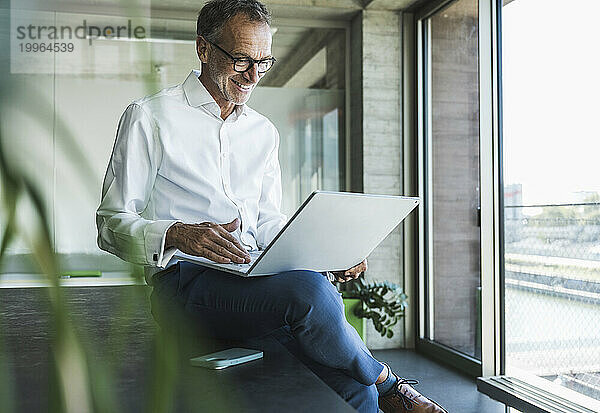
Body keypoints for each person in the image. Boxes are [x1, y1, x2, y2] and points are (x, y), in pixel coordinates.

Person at [96, 1, 447, 412]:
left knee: (355, 391)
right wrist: (176, 234)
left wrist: (324, 255)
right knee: (310, 292)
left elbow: (267, 224)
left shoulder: (262, 132)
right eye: (242, 59)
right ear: (203, 49)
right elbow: (110, 223)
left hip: (256, 283)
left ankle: (375, 387)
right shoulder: (150, 117)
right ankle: (389, 383)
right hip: (184, 287)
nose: (252, 75)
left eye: (263, 62)